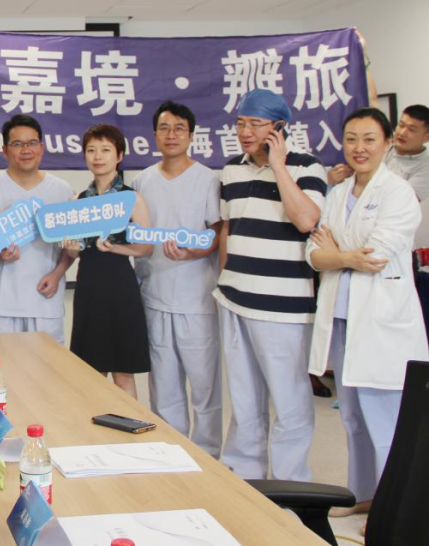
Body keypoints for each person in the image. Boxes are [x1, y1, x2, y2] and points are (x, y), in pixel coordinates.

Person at [306, 107, 428, 517]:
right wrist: (344, 255)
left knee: (385, 422)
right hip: (342, 318)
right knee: (354, 417)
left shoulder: (398, 193)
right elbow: (313, 253)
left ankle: (391, 510)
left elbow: (375, 256)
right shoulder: (338, 193)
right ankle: (363, 495)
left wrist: (335, 252)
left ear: (387, 143)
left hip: (380, 323)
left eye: (370, 139)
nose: (359, 147)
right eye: (352, 139)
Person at [215, 89, 326, 482]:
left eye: (256, 124)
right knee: (244, 399)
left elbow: (306, 220)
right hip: (234, 299)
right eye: (240, 123)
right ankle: (244, 477)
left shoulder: (308, 167)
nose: (245, 132)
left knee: (289, 399)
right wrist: (224, 281)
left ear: (279, 128)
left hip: (283, 306)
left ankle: (292, 485)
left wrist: (279, 167)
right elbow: (229, 228)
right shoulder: (232, 169)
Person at [133, 102, 223, 457]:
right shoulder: (142, 180)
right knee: (163, 387)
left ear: (191, 135)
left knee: (205, 387)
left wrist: (192, 253)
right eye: (164, 128)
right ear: (154, 134)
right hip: (153, 295)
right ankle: (170, 453)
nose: (171, 135)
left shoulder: (208, 180)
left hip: (196, 299)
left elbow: (217, 232)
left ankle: (208, 455)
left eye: (179, 128)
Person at [0, 115, 74, 343]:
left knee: (50, 364)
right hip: (1, 305)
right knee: (2, 363)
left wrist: (58, 274)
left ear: (41, 148)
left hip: (46, 300)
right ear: (5, 150)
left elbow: (71, 245)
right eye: (17, 144)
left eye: (32, 143)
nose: (26, 150)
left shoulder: (62, 191)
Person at [64, 124, 152, 398]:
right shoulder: (77, 200)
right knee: (91, 372)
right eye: (91, 150)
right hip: (88, 287)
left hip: (120, 287)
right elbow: (73, 253)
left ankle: (130, 425)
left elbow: (146, 248)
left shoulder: (131, 198)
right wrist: (71, 247)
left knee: (123, 373)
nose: (98, 156)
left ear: (119, 155)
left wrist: (116, 248)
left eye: (105, 150)